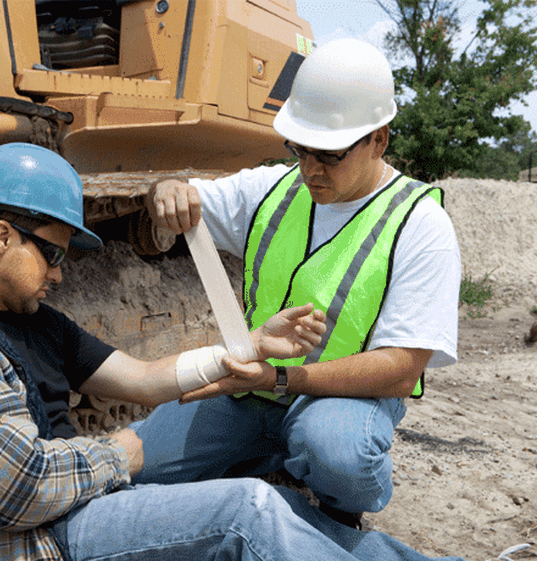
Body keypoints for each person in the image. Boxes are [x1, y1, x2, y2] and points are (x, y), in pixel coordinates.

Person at [0, 142, 467, 561]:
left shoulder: (31, 319)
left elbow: (140, 378)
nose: (61, 274)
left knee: (271, 502)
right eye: (54, 253)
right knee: (244, 508)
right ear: (2, 236)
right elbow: (19, 491)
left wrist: (244, 349)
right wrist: (121, 453)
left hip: (56, 508)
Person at [131, 37, 462, 527]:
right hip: (251, 391)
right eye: (300, 149)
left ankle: (336, 509)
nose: (310, 168)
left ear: (379, 140)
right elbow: (180, 198)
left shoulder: (420, 225)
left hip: (339, 403)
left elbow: (402, 370)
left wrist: (282, 378)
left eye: (328, 154)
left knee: (338, 453)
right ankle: (267, 459)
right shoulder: (275, 189)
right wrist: (167, 192)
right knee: (139, 469)